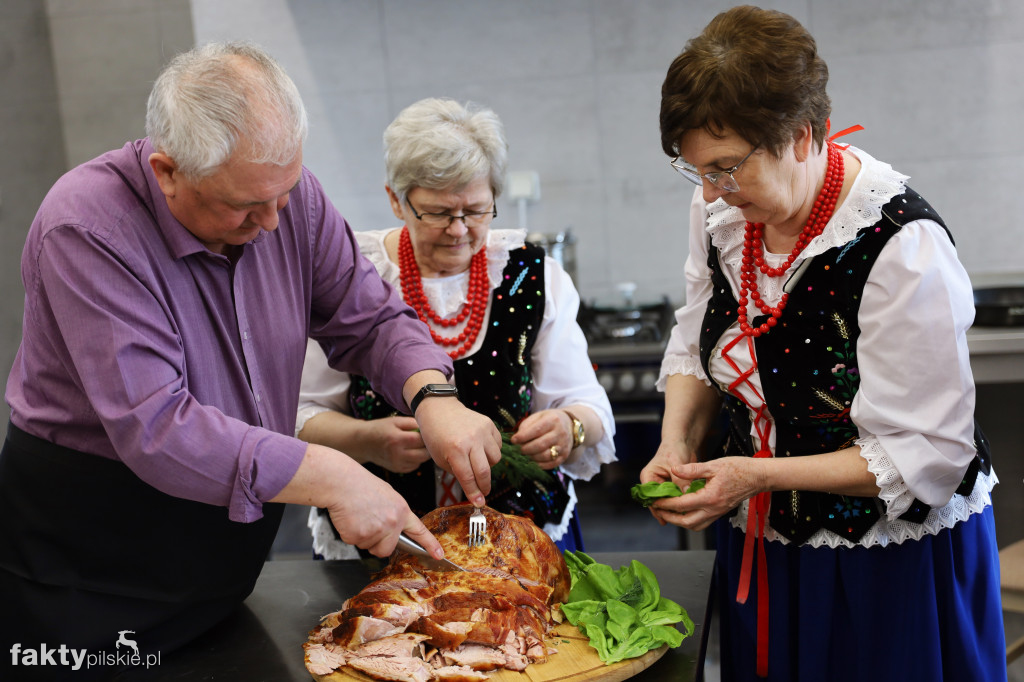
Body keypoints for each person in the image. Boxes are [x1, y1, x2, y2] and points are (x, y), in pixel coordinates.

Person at [0, 42, 502, 675]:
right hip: (90, 567)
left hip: (220, 562)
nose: (272, 222)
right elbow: (157, 429)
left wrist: (436, 397)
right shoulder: (87, 228)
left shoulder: (287, 199)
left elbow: (369, 317)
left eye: (284, 193)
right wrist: (340, 474)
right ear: (167, 171)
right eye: (243, 205)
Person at [642, 6, 1005, 681]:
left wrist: (752, 475)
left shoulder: (900, 246)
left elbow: (925, 453)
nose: (714, 190)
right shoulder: (725, 208)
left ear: (802, 136)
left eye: (726, 167)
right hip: (769, 539)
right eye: (698, 172)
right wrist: (675, 443)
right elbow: (697, 337)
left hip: (887, 558)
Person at [299, 98, 615, 556]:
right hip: (384, 541)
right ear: (395, 199)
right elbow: (299, 417)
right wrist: (366, 440)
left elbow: (588, 404)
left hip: (523, 540)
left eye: (477, 210)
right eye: (438, 212)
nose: (459, 229)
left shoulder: (533, 276)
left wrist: (570, 427)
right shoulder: (354, 277)